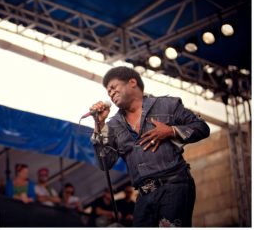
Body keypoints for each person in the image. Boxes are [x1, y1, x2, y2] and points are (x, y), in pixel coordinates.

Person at [90, 66, 210, 227]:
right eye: (108, 92)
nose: (110, 93)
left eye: (113, 87)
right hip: (143, 196)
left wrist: (171, 131)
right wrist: (99, 125)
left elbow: (202, 128)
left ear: (132, 82)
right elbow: (105, 163)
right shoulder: (112, 125)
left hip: (174, 185)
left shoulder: (167, 105)